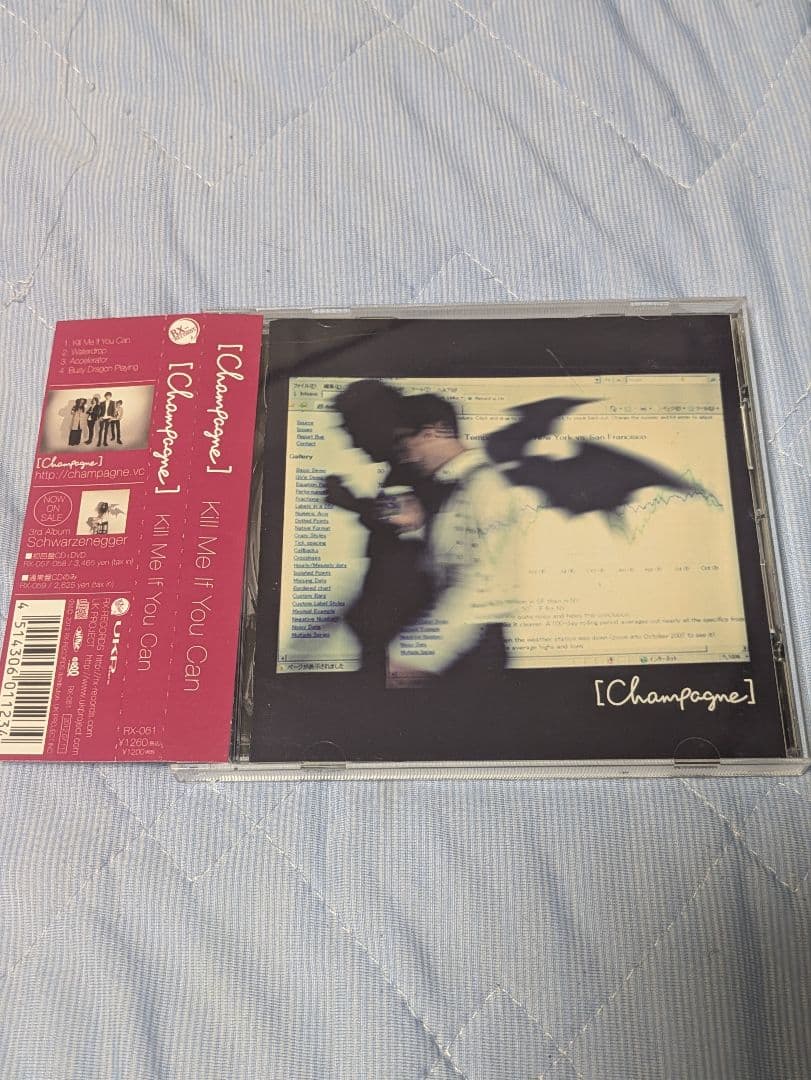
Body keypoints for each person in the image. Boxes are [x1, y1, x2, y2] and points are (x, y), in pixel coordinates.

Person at [386, 393, 517, 688]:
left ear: (432, 432)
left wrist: (414, 655)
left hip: (468, 653)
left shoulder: (486, 485)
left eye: (404, 442)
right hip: (455, 648)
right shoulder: (448, 486)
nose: (404, 455)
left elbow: (480, 588)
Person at [325, 380, 435, 674]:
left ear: (373, 421)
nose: (353, 444)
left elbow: (413, 519)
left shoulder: (414, 458)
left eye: (354, 431)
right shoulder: (404, 461)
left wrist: (349, 501)